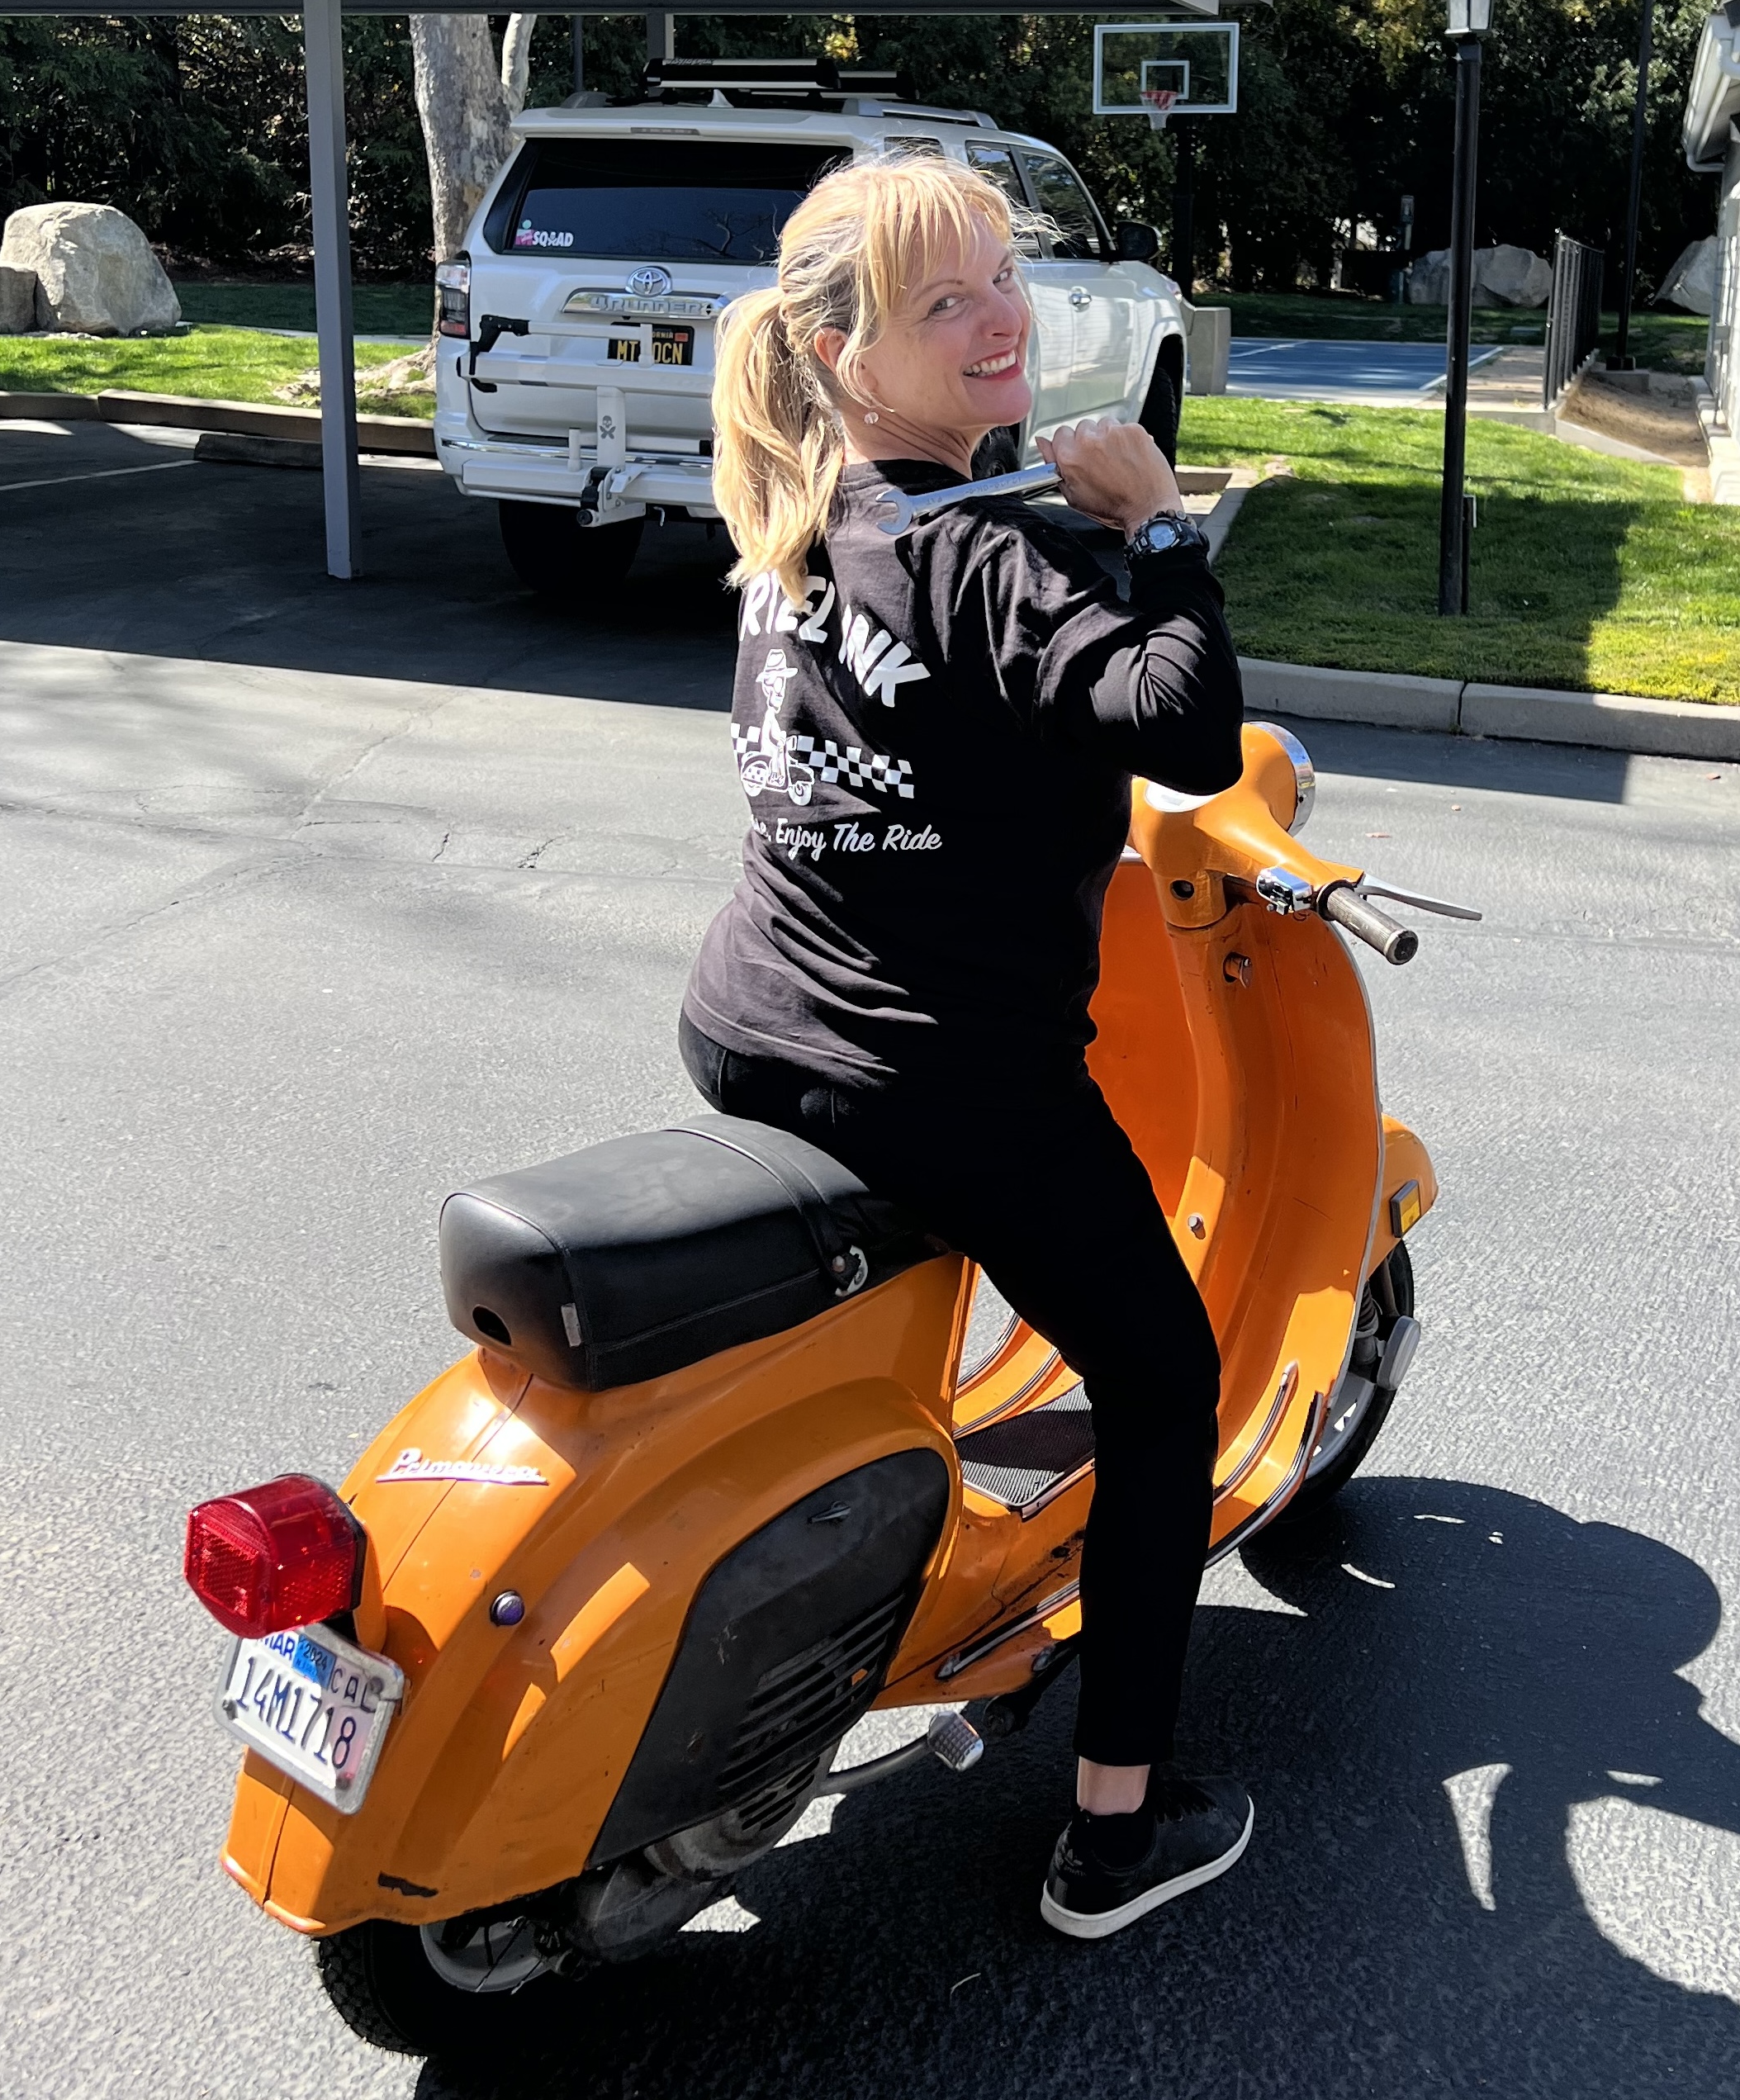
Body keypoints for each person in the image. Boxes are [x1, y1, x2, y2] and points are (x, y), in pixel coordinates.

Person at [680, 154, 1250, 1940]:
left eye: (1003, 276)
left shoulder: (800, 524)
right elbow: (1187, 734)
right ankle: (1114, 1828)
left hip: (747, 1028)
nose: (1001, 314)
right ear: (845, 353)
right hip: (937, 1075)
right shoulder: (978, 551)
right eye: (946, 302)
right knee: (1163, 1387)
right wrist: (1156, 525)